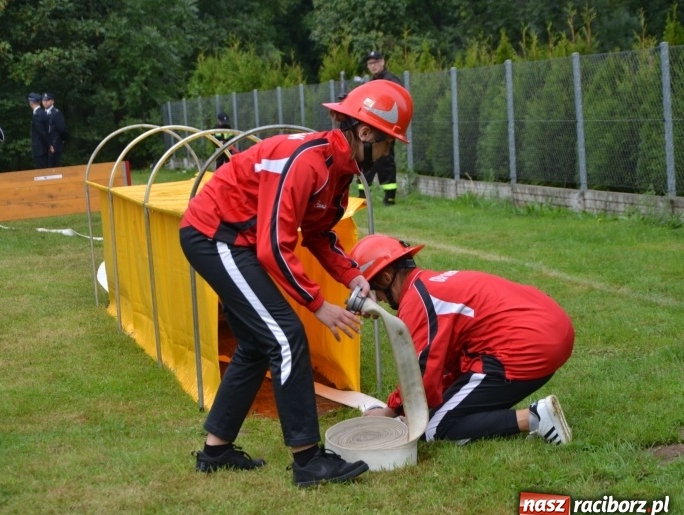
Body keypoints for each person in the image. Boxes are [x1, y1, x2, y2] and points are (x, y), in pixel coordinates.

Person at [179, 80, 413, 487]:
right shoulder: (308, 161)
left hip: (236, 241)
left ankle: (215, 451)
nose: (389, 153)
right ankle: (308, 462)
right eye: (389, 142)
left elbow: (319, 234)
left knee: (256, 342)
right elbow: (274, 246)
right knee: (287, 336)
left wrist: (351, 273)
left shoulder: (338, 172)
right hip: (214, 234)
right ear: (365, 133)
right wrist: (318, 304)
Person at [349, 234, 575, 445]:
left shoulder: (416, 302)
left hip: (530, 347)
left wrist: (391, 412)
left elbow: (419, 374)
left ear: (387, 277)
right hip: (553, 333)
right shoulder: (429, 285)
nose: (378, 300)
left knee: (434, 427)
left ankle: (536, 417)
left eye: (375, 292)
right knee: (443, 406)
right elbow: (447, 367)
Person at [358, 51, 404, 206]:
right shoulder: (370, 83)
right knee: (366, 158)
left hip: (386, 128)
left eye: (375, 62)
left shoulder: (391, 81)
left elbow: (398, 102)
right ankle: (362, 197)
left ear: (383, 62)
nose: (373, 66)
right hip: (371, 127)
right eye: (370, 63)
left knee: (386, 161)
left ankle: (389, 198)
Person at [42, 92, 67, 167]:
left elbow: (61, 129)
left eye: (47, 100)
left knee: (53, 167)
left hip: (55, 144)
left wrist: (61, 141)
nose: (45, 102)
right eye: (43, 100)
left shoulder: (56, 113)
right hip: (45, 145)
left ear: (52, 101)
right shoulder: (43, 113)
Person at [28, 93, 51, 169]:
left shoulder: (37, 115)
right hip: (43, 148)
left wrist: (48, 146)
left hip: (40, 148)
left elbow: (41, 133)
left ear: (31, 102)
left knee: (42, 170)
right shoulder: (43, 113)